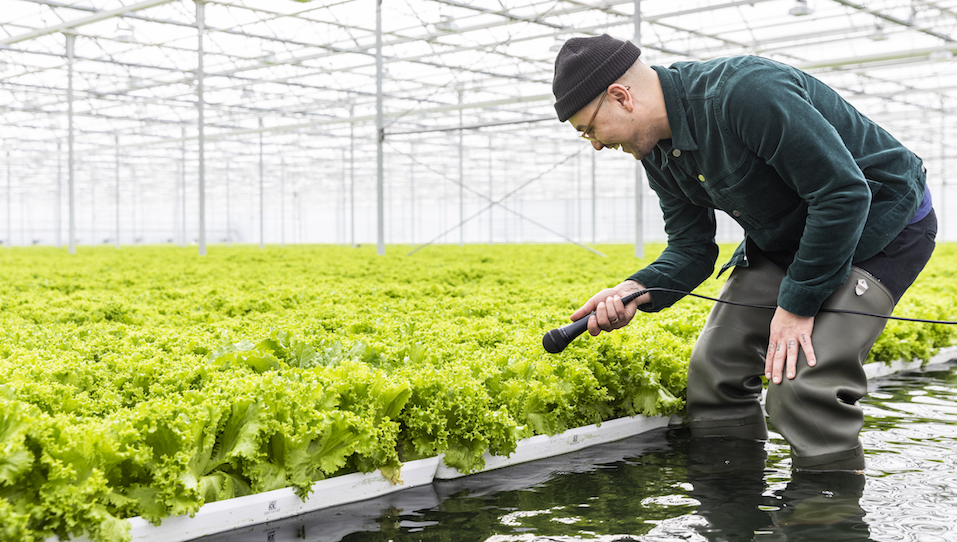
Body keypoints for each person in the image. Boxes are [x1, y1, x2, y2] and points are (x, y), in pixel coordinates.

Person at [551, 34, 937, 472]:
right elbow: (692, 247)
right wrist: (636, 289)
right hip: (789, 234)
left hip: (882, 223)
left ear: (621, 97)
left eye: (589, 129)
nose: (596, 144)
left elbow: (843, 194)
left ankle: (825, 516)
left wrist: (796, 305)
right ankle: (733, 505)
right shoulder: (655, 150)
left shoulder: (744, 93)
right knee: (714, 370)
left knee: (802, 388)